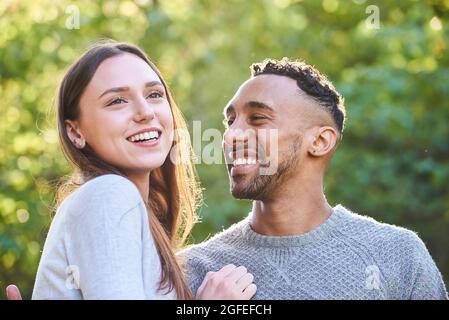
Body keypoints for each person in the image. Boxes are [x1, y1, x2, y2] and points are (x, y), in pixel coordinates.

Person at [181, 58, 448, 300]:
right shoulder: (191, 271)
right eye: (231, 122)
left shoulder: (397, 255)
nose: (231, 136)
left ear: (320, 141)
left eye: (258, 118)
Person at [27, 42, 256, 300]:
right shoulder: (109, 195)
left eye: (154, 95)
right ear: (75, 132)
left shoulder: (131, 211)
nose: (145, 112)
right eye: (117, 101)